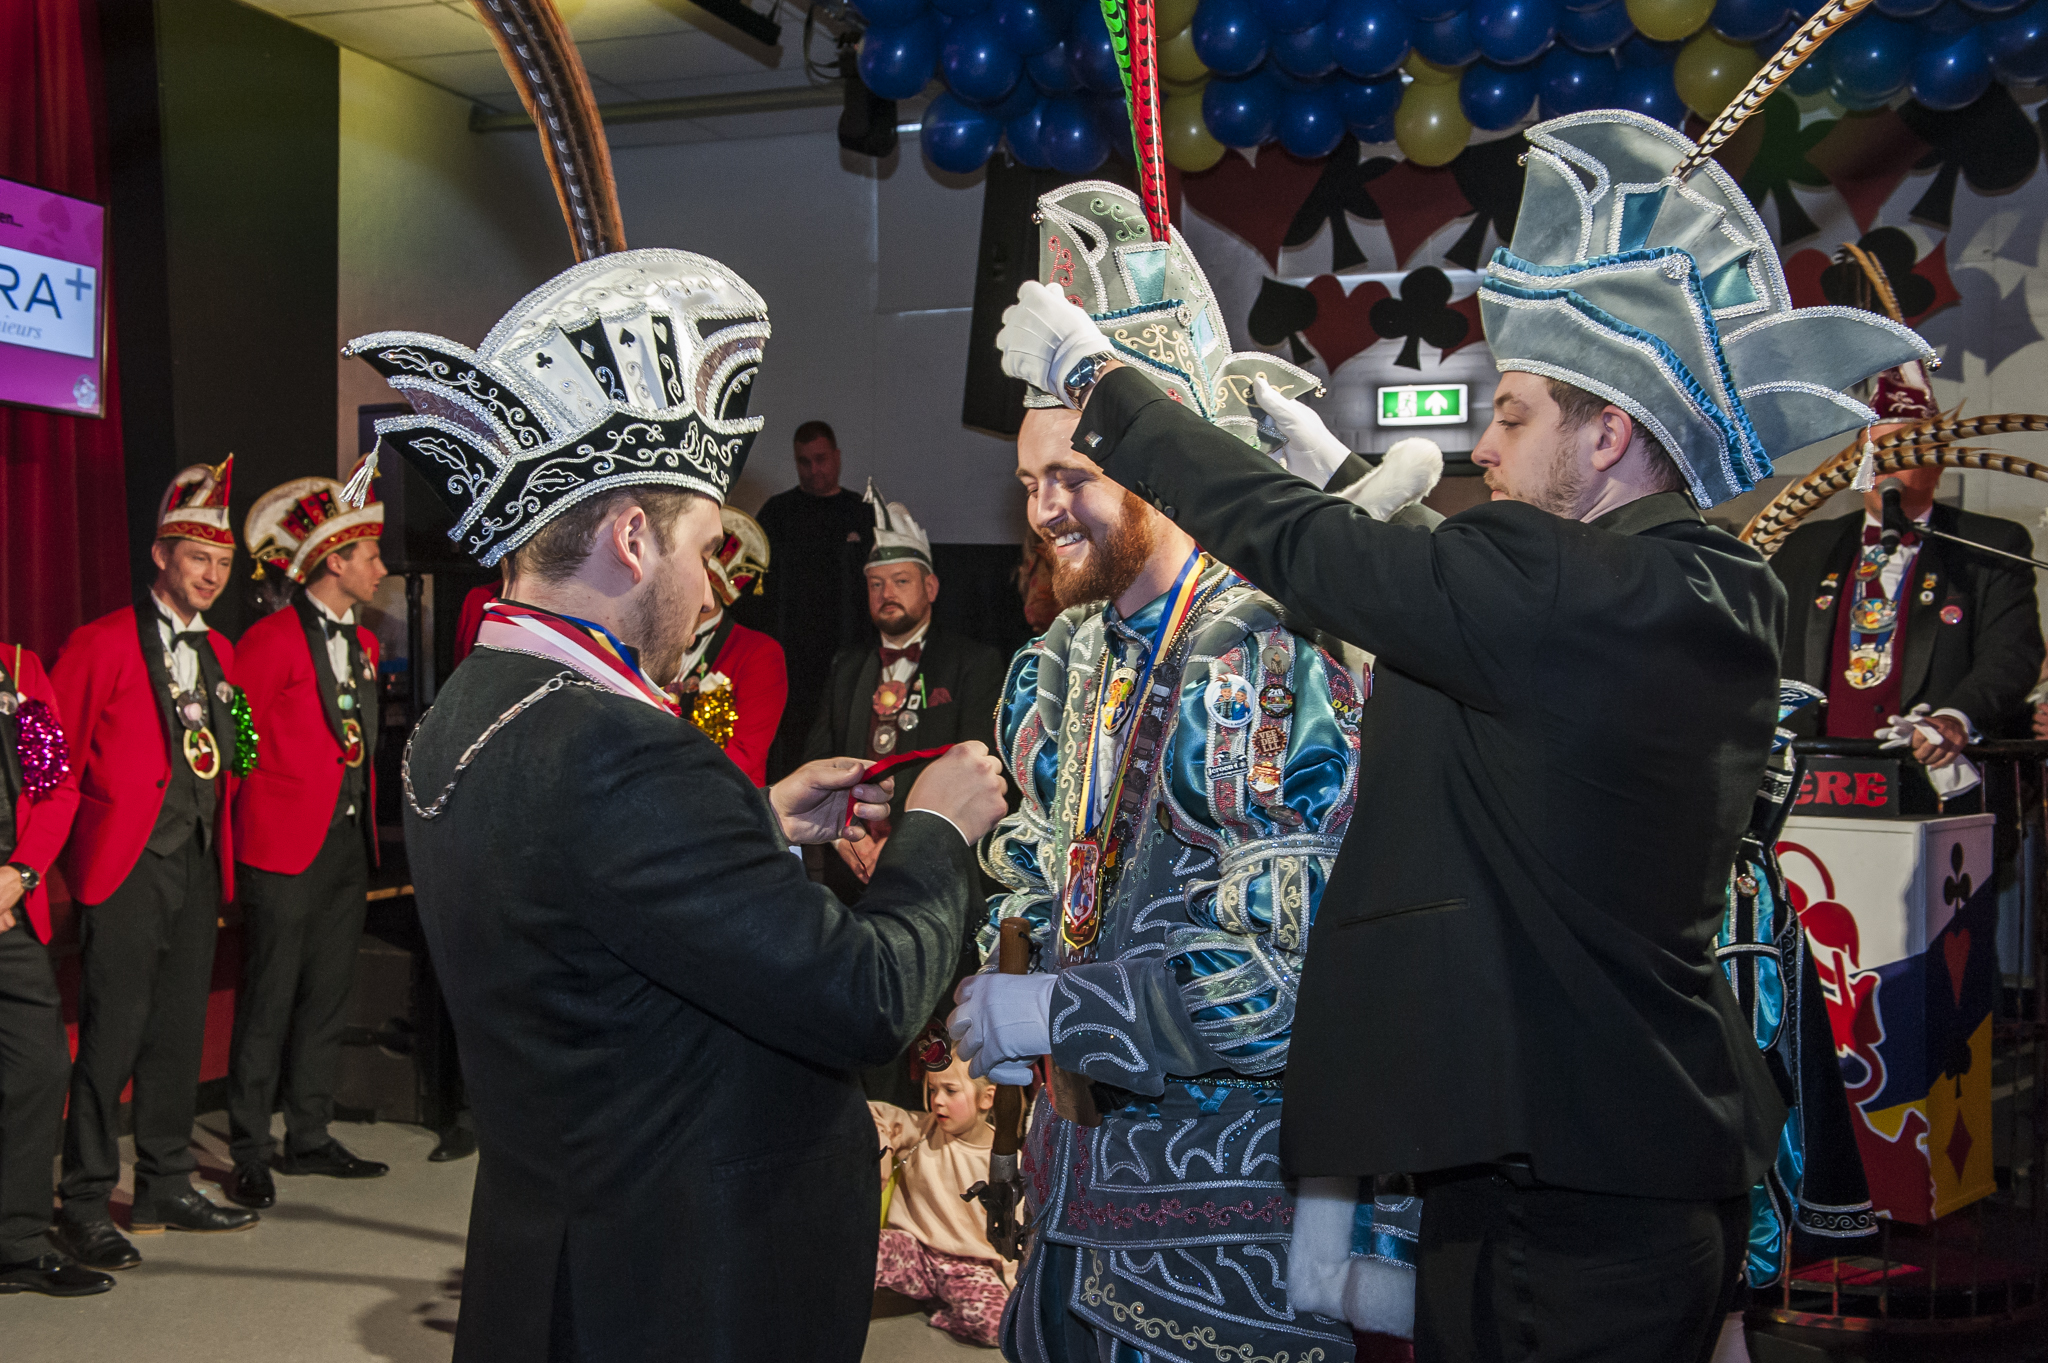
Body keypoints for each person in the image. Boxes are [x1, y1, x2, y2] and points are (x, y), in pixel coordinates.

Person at [989, 110, 1940, 1362]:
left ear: (1607, 435)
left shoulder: (1570, 592)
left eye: (1514, 414)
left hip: (1561, 1199)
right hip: (1635, 1159)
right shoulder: (1694, 587)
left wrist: (1101, 387)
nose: (1477, 445)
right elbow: (1498, 629)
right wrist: (1346, 486)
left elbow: (1370, 574)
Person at [343, 247, 1010, 1363]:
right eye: (705, 550)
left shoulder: (472, 703)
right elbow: (865, 997)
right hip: (682, 1285)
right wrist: (938, 829)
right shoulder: (626, 749)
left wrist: (756, 819)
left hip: (563, 1253)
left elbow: (580, 889)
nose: (712, 588)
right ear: (631, 536)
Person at [947, 180, 1437, 1363]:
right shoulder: (1069, 653)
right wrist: (1012, 968)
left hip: (1221, 1235)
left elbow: (1282, 979)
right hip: (1071, 1203)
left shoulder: (1262, 652)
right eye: (1026, 482)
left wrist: (1060, 1009)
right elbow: (1047, 866)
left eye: (1070, 476)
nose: (1043, 509)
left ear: (1158, 465)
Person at [52, 458, 261, 1272]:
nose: (211, 574)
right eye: (197, 557)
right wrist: (52, 864)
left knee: (177, 1029)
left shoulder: (225, 654)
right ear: (161, 555)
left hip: (200, 857)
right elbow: (52, 762)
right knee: (113, 1033)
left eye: (222, 562)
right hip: (127, 864)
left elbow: (236, 752)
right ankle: (83, 1199)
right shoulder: (99, 641)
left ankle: (165, 1183)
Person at [223, 465, 395, 1212]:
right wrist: (241, 834)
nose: (381, 569)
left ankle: (310, 1133)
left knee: (328, 993)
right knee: (269, 999)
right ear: (334, 562)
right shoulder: (268, 639)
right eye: (371, 557)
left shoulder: (366, 643)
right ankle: (248, 1147)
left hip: (345, 842)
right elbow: (238, 741)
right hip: (281, 845)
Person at [1770, 463, 2043, 809]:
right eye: (1874, 454)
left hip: (1927, 782)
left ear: (1937, 467)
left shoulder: (1989, 543)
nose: (1886, 468)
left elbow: (2012, 654)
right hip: (1816, 781)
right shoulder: (1805, 544)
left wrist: (1957, 716)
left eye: (1904, 455)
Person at [805, 485, 1006, 898]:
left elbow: (979, 773)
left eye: (901, 581)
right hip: (852, 868)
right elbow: (817, 763)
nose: (887, 594)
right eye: (876, 584)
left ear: (930, 588)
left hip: (936, 873)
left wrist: (905, 844)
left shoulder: (974, 663)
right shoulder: (846, 666)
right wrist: (844, 837)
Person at [0, 643, 109, 1297]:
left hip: (9, 905)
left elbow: (56, 786)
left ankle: (16, 1243)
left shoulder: (18, 668)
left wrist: (21, 874)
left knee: (38, 1066)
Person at [746, 421, 874, 778]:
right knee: (792, 747)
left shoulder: (861, 512)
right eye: (804, 461)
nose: (814, 469)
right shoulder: (777, 513)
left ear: (837, 457)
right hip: (792, 658)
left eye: (821, 459)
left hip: (850, 652)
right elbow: (754, 590)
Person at [871, 1053, 1014, 1348]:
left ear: (987, 1098)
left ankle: (944, 1310)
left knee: (997, 1325)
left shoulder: (1005, 1162)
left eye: (950, 1091)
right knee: (858, 1249)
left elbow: (1015, 1234)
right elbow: (871, 1112)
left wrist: (1014, 1288)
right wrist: (883, 1150)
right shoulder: (923, 1129)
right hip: (914, 1253)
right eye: (933, 1089)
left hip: (967, 1267)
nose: (937, 1100)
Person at [671, 505, 785, 785]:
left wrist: (668, 784)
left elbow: (745, 755)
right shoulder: (646, 638)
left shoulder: (759, 652)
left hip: (724, 801)